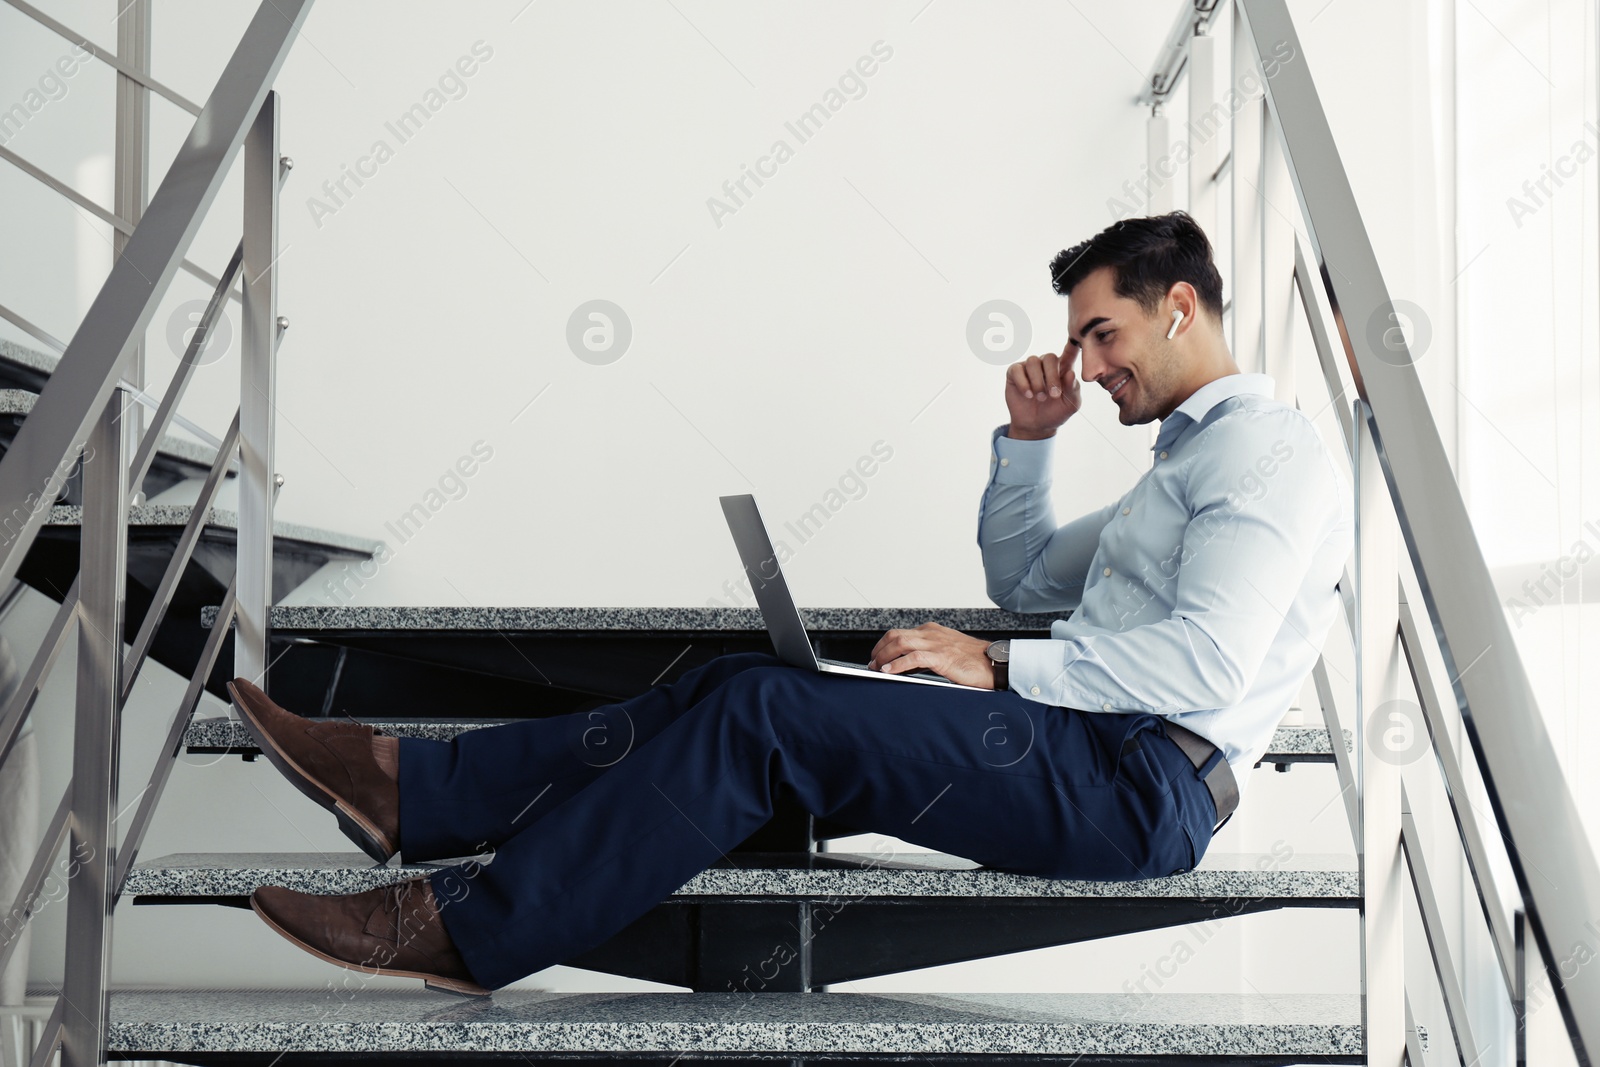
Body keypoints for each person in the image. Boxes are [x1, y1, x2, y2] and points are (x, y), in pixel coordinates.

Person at [234, 210, 1353, 996]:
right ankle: (409, 785)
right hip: (1087, 746)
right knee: (740, 682)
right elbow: (1021, 582)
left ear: (1179, 305)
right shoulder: (1180, 469)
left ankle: (468, 925)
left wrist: (999, 666)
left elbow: (1204, 666)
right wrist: (1027, 443)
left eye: (1098, 333)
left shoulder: (1266, 454)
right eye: (1076, 339)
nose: (1085, 360)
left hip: (1138, 785)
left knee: (766, 717)